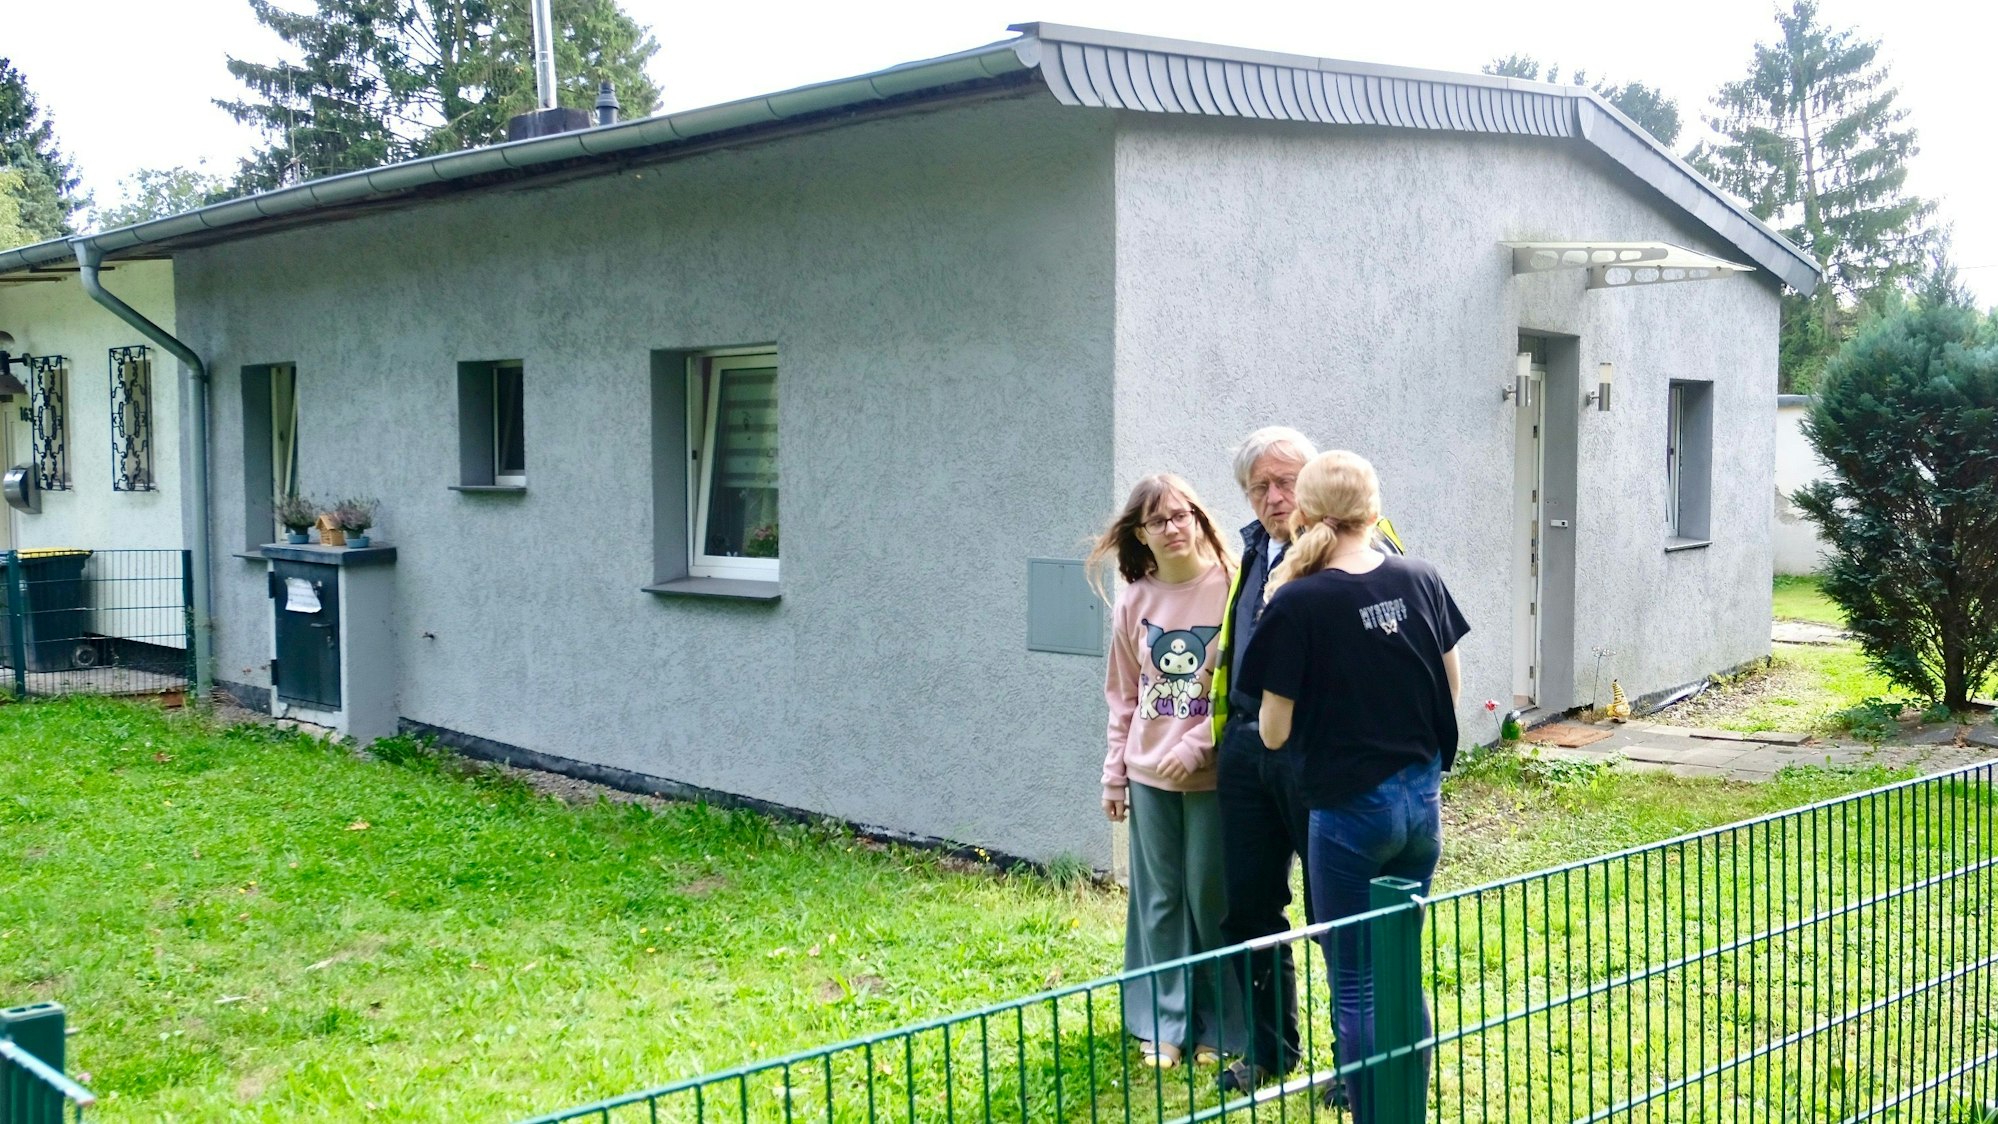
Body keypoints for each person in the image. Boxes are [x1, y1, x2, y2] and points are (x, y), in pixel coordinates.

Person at [1237, 450, 1468, 1119]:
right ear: (1373, 511)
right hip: (1421, 806)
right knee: (1401, 970)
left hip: (1347, 811)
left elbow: (1273, 733)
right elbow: (1450, 688)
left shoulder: (1298, 599)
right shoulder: (1421, 576)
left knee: (1358, 981)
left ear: (1305, 515)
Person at [1207, 427, 1405, 1093]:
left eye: (1286, 481)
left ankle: (1357, 1071)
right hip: (1245, 746)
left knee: (1336, 916)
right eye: (1259, 486)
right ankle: (1269, 1052)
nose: (1274, 496)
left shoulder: (1361, 547)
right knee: (1248, 907)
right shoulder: (1254, 548)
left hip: (1318, 749)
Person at [1091, 473, 1239, 1070]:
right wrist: (1114, 773)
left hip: (1214, 779)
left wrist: (1202, 740)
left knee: (1211, 899)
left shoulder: (1232, 585)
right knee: (1158, 902)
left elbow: (1246, 686)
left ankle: (1221, 1026)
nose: (1173, 528)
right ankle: (1163, 1024)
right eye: (1158, 521)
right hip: (1150, 777)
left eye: (1182, 515)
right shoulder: (1134, 598)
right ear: (1141, 536)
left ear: (1200, 519)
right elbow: (1122, 696)